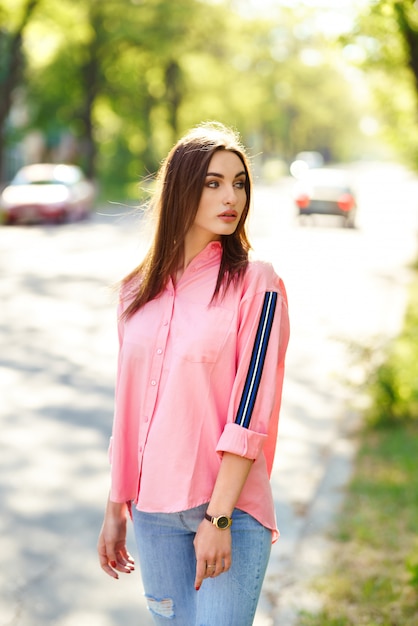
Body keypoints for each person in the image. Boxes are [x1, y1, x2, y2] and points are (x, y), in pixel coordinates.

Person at [97, 121, 290, 626]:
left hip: (228, 511)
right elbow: (128, 409)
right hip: (153, 514)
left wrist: (218, 518)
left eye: (240, 183)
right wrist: (115, 508)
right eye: (214, 182)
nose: (232, 197)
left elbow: (251, 411)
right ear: (181, 189)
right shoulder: (135, 291)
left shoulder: (256, 283)